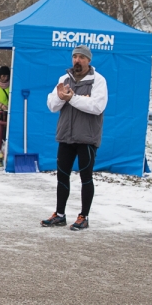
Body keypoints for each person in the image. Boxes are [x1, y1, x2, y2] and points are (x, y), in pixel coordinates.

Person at [42, 45, 108, 231]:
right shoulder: (64, 79)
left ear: (89, 60)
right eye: (75, 57)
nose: (77, 60)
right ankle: (60, 214)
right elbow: (52, 105)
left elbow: (97, 106)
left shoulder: (98, 80)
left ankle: (83, 216)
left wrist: (73, 98)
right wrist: (62, 97)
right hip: (66, 135)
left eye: (81, 57)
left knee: (86, 176)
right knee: (62, 175)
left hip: (87, 137)